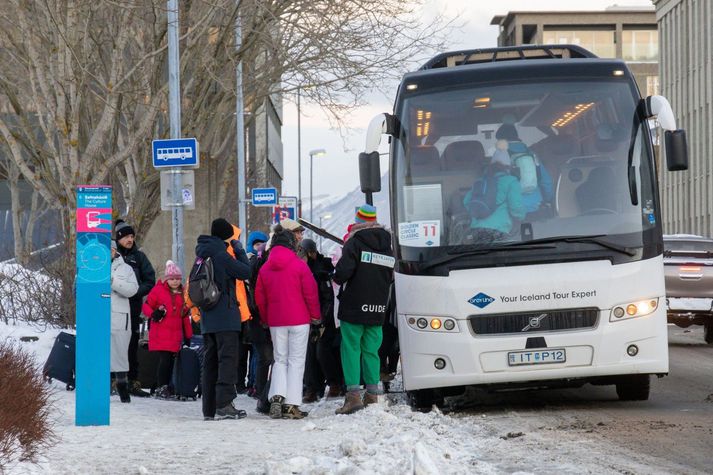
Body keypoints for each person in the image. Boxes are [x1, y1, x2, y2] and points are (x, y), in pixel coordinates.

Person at [333, 204, 394, 414]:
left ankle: (353, 397)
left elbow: (342, 273)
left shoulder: (354, 242)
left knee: (350, 348)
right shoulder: (388, 245)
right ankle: (373, 394)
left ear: (358, 220)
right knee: (371, 350)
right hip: (377, 307)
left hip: (354, 306)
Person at [255, 225, 321, 419]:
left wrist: (266, 319)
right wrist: (315, 316)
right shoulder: (300, 265)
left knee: (280, 359)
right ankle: (291, 404)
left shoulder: (265, 268)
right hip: (299, 319)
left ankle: (276, 396)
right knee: (296, 361)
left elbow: (260, 298)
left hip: (276, 321)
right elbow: (310, 293)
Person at [194, 218, 252, 420]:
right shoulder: (221, 254)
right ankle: (225, 404)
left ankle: (208, 408)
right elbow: (246, 271)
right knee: (227, 360)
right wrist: (239, 249)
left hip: (208, 318)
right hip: (226, 316)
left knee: (210, 363)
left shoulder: (201, 254)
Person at [115, 219, 156, 397]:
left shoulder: (139, 257)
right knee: (114, 345)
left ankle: (132, 381)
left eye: (131, 236)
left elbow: (150, 280)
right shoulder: (112, 256)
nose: (130, 240)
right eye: (126, 237)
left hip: (132, 309)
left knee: (131, 347)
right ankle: (113, 381)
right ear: (118, 239)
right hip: (113, 310)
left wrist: (136, 292)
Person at [141, 260, 193, 399]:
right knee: (165, 361)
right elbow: (146, 306)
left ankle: (159, 386)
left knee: (169, 362)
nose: (175, 282)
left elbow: (184, 316)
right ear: (167, 279)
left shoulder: (183, 293)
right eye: (172, 279)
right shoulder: (158, 290)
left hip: (175, 335)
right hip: (161, 334)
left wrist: (188, 335)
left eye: (178, 279)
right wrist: (153, 314)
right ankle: (161, 387)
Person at [300, 238, 343, 401]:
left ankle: (334, 383)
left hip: (324, 317)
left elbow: (328, 297)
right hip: (308, 317)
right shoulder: (302, 267)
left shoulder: (322, 268)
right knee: (310, 354)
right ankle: (312, 387)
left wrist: (322, 319)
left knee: (322, 352)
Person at [463, 148, 526, 242]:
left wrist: (480, 213)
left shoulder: (480, 181)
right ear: (508, 167)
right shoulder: (511, 181)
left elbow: (466, 202)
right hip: (498, 232)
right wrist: (522, 217)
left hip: (476, 231)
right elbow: (516, 208)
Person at [495, 124, 554, 220]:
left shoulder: (500, 156)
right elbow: (546, 180)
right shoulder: (531, 154)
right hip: (536, 206)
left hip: (512, 211)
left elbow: (496, 184)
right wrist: (547, 199)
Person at [110, 240, 139, 403]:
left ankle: (122, 387)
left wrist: (113, 282)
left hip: (119, 316)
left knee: (120, 353)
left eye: (111, 250)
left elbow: (132, 290)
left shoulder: (126, 268)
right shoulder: (92, 267)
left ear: (115, 251)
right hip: (98, 316)